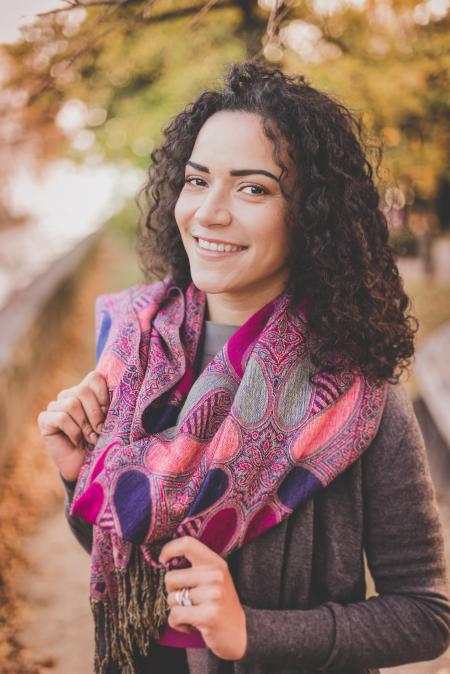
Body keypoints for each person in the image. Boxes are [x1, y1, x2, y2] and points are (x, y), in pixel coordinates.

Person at [37, 61, 450, 674]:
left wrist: (251, 631)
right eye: (198, 180)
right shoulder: (134, 348)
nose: (208, 213)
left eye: (253, 188)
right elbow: (121, 554)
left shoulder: (356, 389)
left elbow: (425, 613)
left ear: (311, 216)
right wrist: (79, 478)